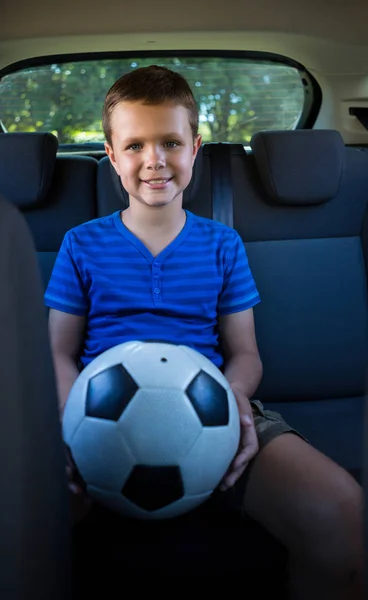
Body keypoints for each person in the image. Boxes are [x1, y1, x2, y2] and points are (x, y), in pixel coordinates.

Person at [44, 65, 364, 598]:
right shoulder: (81, 244)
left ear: (195, 147)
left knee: (345, 516)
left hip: (216, 407)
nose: (155, 161)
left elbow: (246, 354)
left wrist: (235, 400)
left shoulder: (223, 245)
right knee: (5, 524)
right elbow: (57, 352)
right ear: (111, 154)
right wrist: (68, 422)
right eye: (136, 145)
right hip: (93, 411)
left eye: (171, 141)